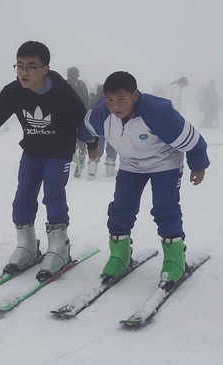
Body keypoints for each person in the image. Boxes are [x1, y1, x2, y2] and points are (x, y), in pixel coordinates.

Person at [0, 41, 89, 282]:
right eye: (19, 66)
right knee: (23, 197)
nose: (23, 72)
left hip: (59, 151)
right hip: (31, 151)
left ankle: (60, 247)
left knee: (53, 194)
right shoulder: (13, 91)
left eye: (31, 67)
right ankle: (27, 246)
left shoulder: (63, 92)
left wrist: (91, 145)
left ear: (45, 68)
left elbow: (82, 120)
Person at [78, 71, 210, 289]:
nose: (116, 106)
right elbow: (84, 130)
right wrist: (92, 144)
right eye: (110, 99)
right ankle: (120, 254)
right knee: (121, 207)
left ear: (135, 95)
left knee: (164, 208)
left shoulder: (157, 112)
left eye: (122, 99)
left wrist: (198, 165)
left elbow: (193, 139)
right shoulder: (102, 113)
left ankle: (174, 258)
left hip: (164, 162)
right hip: (131, 164)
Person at [66, 66, 92, 179]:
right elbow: (86, 100)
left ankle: (71, 157)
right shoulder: (82, 85)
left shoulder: (64, 84)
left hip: (66, 117)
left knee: (68, 141)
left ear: (67, 74)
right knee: (81, 140)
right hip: (81, 115)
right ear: (78, 74)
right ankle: (81, 154)